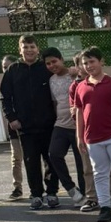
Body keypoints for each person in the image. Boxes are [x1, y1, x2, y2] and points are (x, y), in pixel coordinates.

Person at [72, 47, 111, 222]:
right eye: (85, 63)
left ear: (101, 62)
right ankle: (105, 207)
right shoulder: (80, 87)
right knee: (99, 173)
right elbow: (79, 112)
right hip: (92, 138)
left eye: (92, 61)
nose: (89, 66)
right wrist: (80, 137)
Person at [0, 35, 59, 210]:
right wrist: (12, 118)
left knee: (51, 159)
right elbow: (5, 97)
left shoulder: (46, 68)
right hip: (25, 126)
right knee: (30, 161)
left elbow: (62, 78)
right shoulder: (13, 70)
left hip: (49, 124)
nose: (29, 50)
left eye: (32, 46)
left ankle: (52, 192)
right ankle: (36, 194)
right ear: (20, 50)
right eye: (25, 47)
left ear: (37, 49)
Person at [40, 47, 87, 208]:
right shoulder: (52, 80)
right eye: (48, 63)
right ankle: (71, 189)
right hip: (60, 124)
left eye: (54, 61)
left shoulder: (75, 74)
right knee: (54, 154)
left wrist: (77, 75)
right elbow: (55, 103)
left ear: (61, 59)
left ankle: (86, 195)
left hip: (78, 126)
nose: (52, 65)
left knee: (82, 163)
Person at [1, 54, 24, 199]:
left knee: (35, 158)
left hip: (29, 125)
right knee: (16, 158)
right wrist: (12, 118)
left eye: (8, 66)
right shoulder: (5, 83)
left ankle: (44, 187)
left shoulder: (22, 80)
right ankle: (17, 187)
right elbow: (5, 102)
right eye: (4, 67)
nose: (6, 69)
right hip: (14, 127)